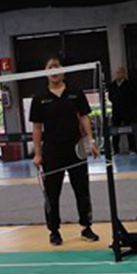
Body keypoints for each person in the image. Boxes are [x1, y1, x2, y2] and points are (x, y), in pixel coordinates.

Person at [30, 57, 100, 246]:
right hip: (52, 150)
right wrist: (37, 154)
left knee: (82, 190)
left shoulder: (76, 93)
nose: (54, 71)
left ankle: (87, 227)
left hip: (76, 148)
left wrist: (90, 142)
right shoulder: (39, 98)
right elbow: (37, 128)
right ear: (46, 72)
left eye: (57, 67)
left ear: (64, 71)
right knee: (52, 193)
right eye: (50, 68)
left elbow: (84, 118)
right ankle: (54, 231)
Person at [109, 67, 137, 155]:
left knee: (129, 130)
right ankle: (115, 149)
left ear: (123, 73)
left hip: (127, 111)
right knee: (115, 131)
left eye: (119, 73)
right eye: (116, 73)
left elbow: (133, 97)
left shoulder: (129, 84)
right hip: (116, 111)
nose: (118, 75)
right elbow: (110, 97)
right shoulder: (112, 85)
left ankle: (132, 148)